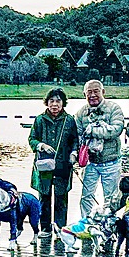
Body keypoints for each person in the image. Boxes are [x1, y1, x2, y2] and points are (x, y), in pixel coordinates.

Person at [29, 88, 79, 234]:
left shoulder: (69, 120)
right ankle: (45, 228)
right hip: (43, 164)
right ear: (47, 102)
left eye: (58, 101)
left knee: (61, 197)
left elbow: (75, 140)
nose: (55, 104)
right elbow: (32, 139)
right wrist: (41, 145)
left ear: (63, 103)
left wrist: (74, 154)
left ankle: (60, 228)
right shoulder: (39, 119)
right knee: (44, 196)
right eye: (52, 101)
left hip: (63, 164)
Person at [74, 79, 124, 218]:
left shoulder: (114, 108)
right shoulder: (80, 113)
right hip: (90, 164)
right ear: (84, 94)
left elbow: (116, 130)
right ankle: (86, 225)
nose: (93, 95)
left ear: (103, 92)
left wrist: (92, 132)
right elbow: (78, 136)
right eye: (89, 92)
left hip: (111, 161)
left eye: (96, 91)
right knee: (86, 197)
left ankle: (109, 226)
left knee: (111, 199)